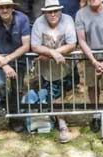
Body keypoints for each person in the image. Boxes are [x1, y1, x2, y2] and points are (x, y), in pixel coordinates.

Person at [31, 0, 76, 142]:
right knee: (54, 94)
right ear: (44, 12)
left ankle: (59, 116)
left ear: (60, 10)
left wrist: (52, 53)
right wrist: (54, 53)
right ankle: (62, 126)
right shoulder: (39, 22)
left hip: (66, 65)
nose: (52, 14)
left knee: (67, 91)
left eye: (55, 11)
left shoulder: (68, 20)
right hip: (48, 69)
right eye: (49, 11)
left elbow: (72, 43)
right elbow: (35, 46)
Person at [0, 0, 30, 132]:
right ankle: (6, 107)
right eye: (1, 8)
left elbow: (26, 45)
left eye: (7, 7)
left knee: (18, 89)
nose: (4, 10)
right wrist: (4, 63)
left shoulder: (23, 19)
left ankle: (15, 119)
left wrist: (8, 59)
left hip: (18, 59)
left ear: (13, 8)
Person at [75, 0, 103, 131]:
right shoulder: (80, 14)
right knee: (92, 86)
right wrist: (94, 61)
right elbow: (82, 40)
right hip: (90, 56)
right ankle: (95, 114)